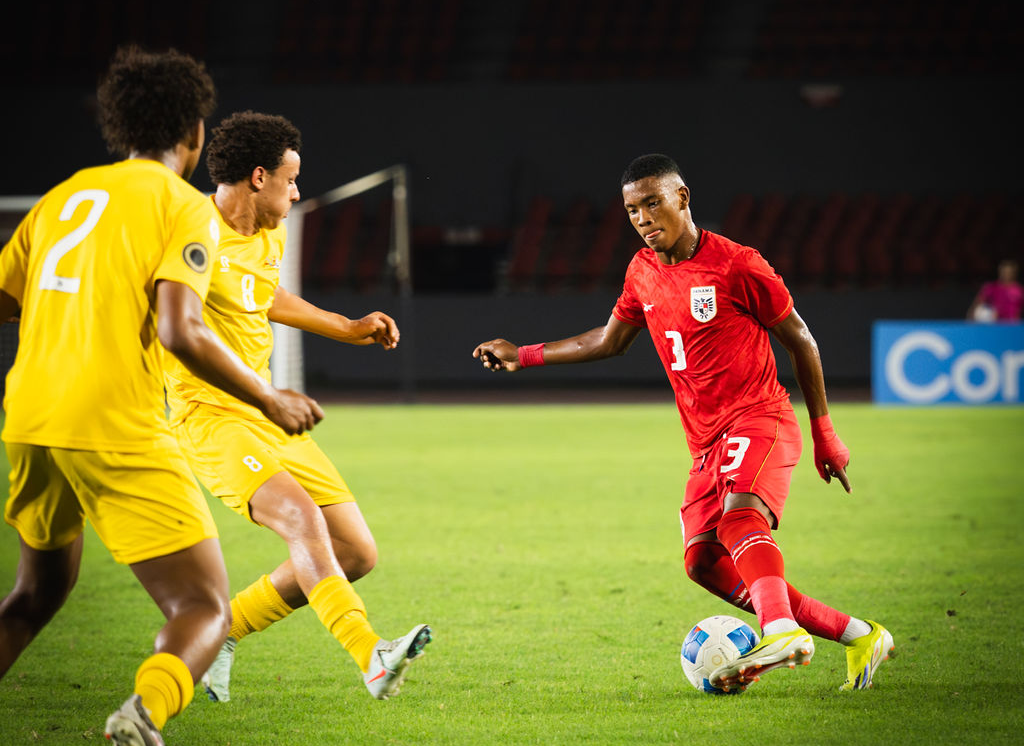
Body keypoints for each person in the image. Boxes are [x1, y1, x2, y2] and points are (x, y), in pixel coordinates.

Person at [0, 46, 323, 746]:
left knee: (36, 595)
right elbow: (181, 329)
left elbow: (8, 297)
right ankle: (145, 712)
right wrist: (267, 396)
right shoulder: (182, 207)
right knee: (203, 607)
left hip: (30, 419)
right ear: (194, 130)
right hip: (113, 419)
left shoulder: (65, 197)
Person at [473, 154, 893, 693]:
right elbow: (608, 341)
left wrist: (825, 433)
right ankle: (860, 635)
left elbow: (801, 341)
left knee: (741, 520)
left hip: (760, 418)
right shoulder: (641, 271)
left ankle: (781, 629)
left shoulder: (738, 265)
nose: (644, 218)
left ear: (683, 198)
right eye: (632, 210)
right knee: (702, 561)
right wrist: (524, 354)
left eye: (653, 202)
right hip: (705, 443)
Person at [163, 110, 430, 705]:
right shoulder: (192, 233)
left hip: (266, 410)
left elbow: (268, 295)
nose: (297, 190)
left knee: (357, 552)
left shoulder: (268, 231)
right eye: (291, 178)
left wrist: (348, 327)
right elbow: (170, 324)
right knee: (303, 523)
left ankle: (221, 630)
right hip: (210, 417)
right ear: (258, 176)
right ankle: (371, 654)